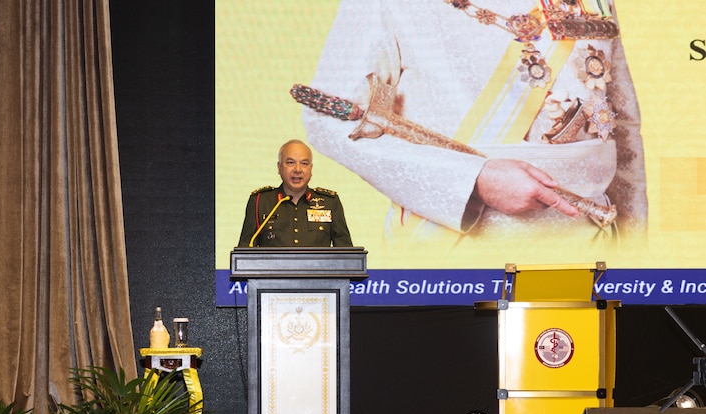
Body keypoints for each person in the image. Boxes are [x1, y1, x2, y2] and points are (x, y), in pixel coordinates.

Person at [300, 0, 647, 250]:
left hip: (589, 245)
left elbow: (622, 126)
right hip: (451, 250)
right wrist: (473, 179)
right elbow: (327, 120)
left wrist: (636, 254)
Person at [237, 139, 353, 247]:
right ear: (279, 167)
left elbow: (347, 255)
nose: (297, 170)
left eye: (304, 163)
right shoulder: (260, 201)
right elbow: (245, 251)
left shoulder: (330, 203)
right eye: (291, 162)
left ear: (311, 169)